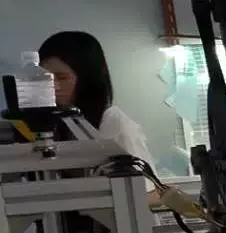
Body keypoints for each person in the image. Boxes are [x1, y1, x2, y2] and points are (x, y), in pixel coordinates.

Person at [39, 31, 152, 165]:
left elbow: (139, 178)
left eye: (62, 78)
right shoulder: (65, 123)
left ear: (87, 79)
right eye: (45, 78)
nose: (52, 86)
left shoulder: (116, 126)